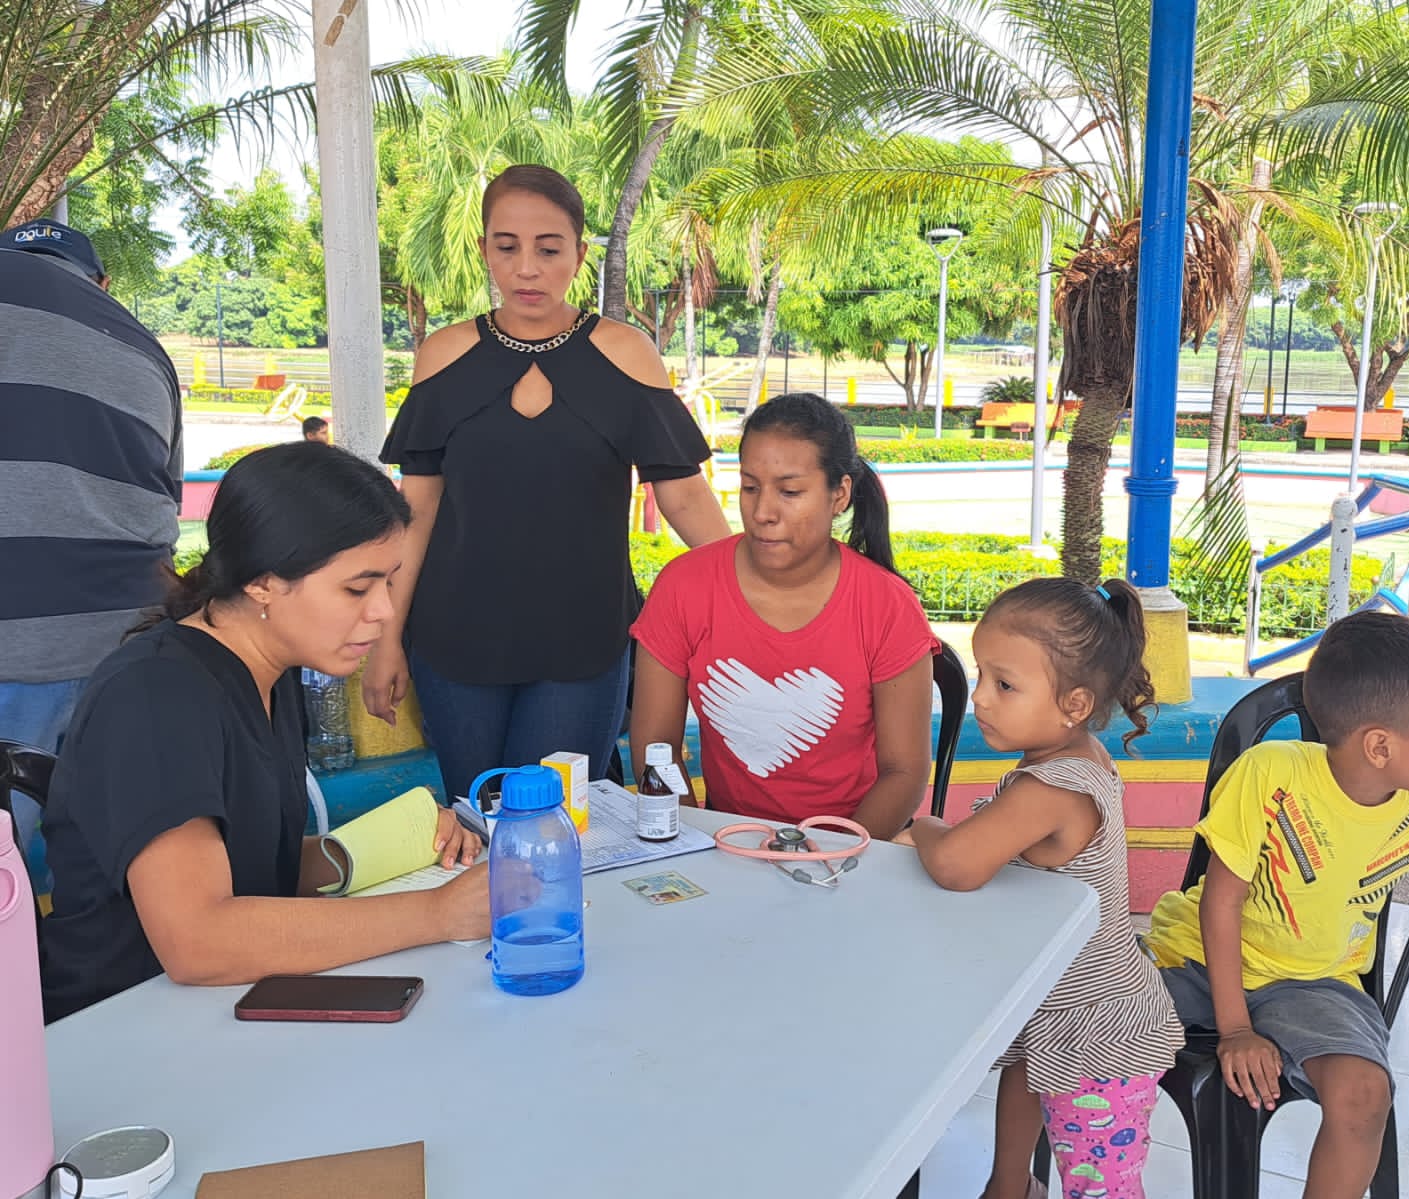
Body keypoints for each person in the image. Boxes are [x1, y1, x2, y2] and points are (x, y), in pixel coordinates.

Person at [39, 443, 487, 1022]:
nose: (382, 610)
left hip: (220, 1007)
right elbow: (198, 940)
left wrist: (405, 840)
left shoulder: (269, 674)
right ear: (263, 583)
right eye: (358, 588)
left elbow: (255, 862)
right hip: (117, 1023)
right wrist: (439, 913)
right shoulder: (156, 695)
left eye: (388, 584)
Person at [1142, 611, 1409, 1199]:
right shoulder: (1271, 774)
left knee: (1365, 1094)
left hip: (1317, 984)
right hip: (1196, 960)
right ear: (1379, 746)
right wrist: (1236, 1028)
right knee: (1084, 1029)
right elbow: (1220, 901)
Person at [363, 164, 729, 801]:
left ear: (580, 255)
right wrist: (386, 637)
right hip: (455, 640)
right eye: (507, 247)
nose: (527, 269)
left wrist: (755, 588)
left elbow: (684, 494)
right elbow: (416, 510)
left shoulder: (627, 353)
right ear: (485, 251)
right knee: (477, 818)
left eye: (549, 249)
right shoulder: (443, 355)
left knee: (558, 821)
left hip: (584, 639)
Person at [894, 578, 1184, 1199]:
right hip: (1056, 1008)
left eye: (1004, 685)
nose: (980, 698)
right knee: (1026, 1071)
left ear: (1074, 703)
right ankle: (1007, 1188)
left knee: (1100, 1188)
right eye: (981, 675)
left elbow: (957, 865)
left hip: (1098, 1034)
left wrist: (923, 827)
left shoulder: (1053, 787)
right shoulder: (1067, 756)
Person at [629, 392, 939, 840]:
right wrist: (692, 843)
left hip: (853, 846)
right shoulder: (683, 586)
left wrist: (830, 856)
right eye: (749, 487)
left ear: (840, 494)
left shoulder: (886, 606)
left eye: (790, 492)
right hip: (724, 842)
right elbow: (655, 750)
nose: (762, 513)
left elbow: (904, 772)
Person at [0, 217, 182, 891]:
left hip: (15, 651)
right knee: (100, 885)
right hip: (128, 650)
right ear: (102, 283)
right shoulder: (146, 348)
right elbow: (164, 505)